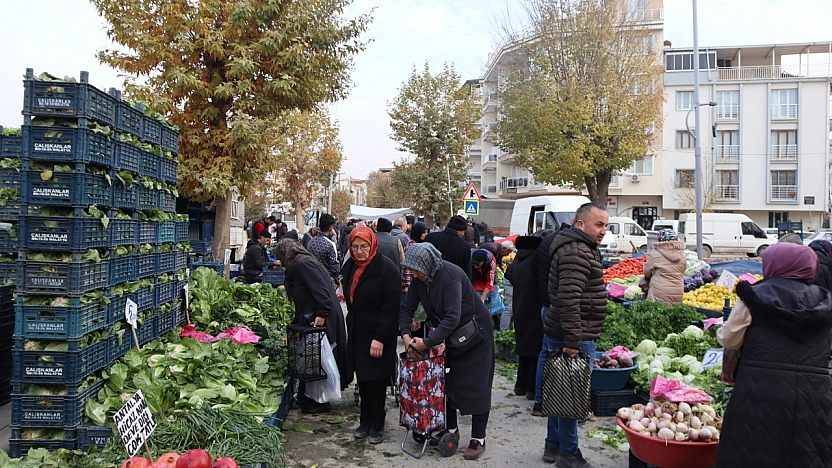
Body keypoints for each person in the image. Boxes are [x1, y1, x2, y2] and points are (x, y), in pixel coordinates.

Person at [715, 242, 832, 467]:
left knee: (752, 454)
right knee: (806, 455)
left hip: (758, 393)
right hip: (813, 395)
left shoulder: (754, 295)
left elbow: (728, 338)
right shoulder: (825, 301)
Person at [400, 243, 495, 461]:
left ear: (427, 264)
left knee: (476, 386)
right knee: (447, 383)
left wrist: (427, 342)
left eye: (416, 270)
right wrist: (406, 336)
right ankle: (450, 430)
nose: (413, 274)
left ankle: (478, 439)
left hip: (475, 336)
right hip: (448, 336)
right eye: (411, 270)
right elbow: (407, 308)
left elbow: (453, 316)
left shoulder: (451, 276)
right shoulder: (419, 280)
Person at [540, 202, 608, 467]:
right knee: (571, 395)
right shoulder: (577, 251)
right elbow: (569, 299)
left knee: (560, 390)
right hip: (572, 334)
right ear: (581, 224)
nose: (603, 231)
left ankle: (553, 446)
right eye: (598, 224)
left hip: (566, 330)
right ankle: (569, 454)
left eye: (606, 225)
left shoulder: (577, 247)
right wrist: (573, 341)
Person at [273, 240, 348, 414]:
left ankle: (319, 400)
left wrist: (320, 316)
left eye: (281, 259)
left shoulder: (303, 266)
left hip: (320, 318)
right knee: (314, 360)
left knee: (319, 361)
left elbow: (321, 293)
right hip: (313, 316)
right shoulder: (303, 263)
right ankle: (310, 398)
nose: (281, 263)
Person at [341, 226, 401, 444]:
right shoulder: (350, 266)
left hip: (377, 333)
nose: (359, 251)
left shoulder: (386, 268)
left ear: (372, 245)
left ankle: (377, 424)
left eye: (363, 246)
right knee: (363, 379)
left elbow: (391, 308)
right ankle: (365, 421)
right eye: (355, 247)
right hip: (358, 331)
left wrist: (381, 338)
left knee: (376, 381)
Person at [504, 235, 543, 400]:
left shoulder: (517, 261)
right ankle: (531, 389)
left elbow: (508, 276)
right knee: (535, 349)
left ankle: (520, 385)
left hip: (519, 306)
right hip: (534, 306)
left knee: (523, 347)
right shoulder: (536, 261)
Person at [641, 229, 686, 306]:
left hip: (659, 290)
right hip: (677, 289)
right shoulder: (682, 254)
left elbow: (646, 272)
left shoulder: (655, 253)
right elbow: (683, 269)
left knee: (658, 312)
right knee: (674, 313)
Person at [425, 215, 472, 279]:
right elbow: (466, 272)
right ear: (458, 230)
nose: (463, 234)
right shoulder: (464, 246)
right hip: (453, 283)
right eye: (463, 231)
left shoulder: (430, 237)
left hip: (432, 281)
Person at [307, 214, 341, 289]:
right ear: (331, 228)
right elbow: (334, 265)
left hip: (312, 279)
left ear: (319, 225)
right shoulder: (330, 244)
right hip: (326, 281)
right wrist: (336, 278)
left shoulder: (310, 243)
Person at [401, 222, 430, 304]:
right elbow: (407, 267)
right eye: (424, 232)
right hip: (412, 283)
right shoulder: (412, 246)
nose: (426, 234)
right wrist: (407, 285)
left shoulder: (423, 244)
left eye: (427, 232)